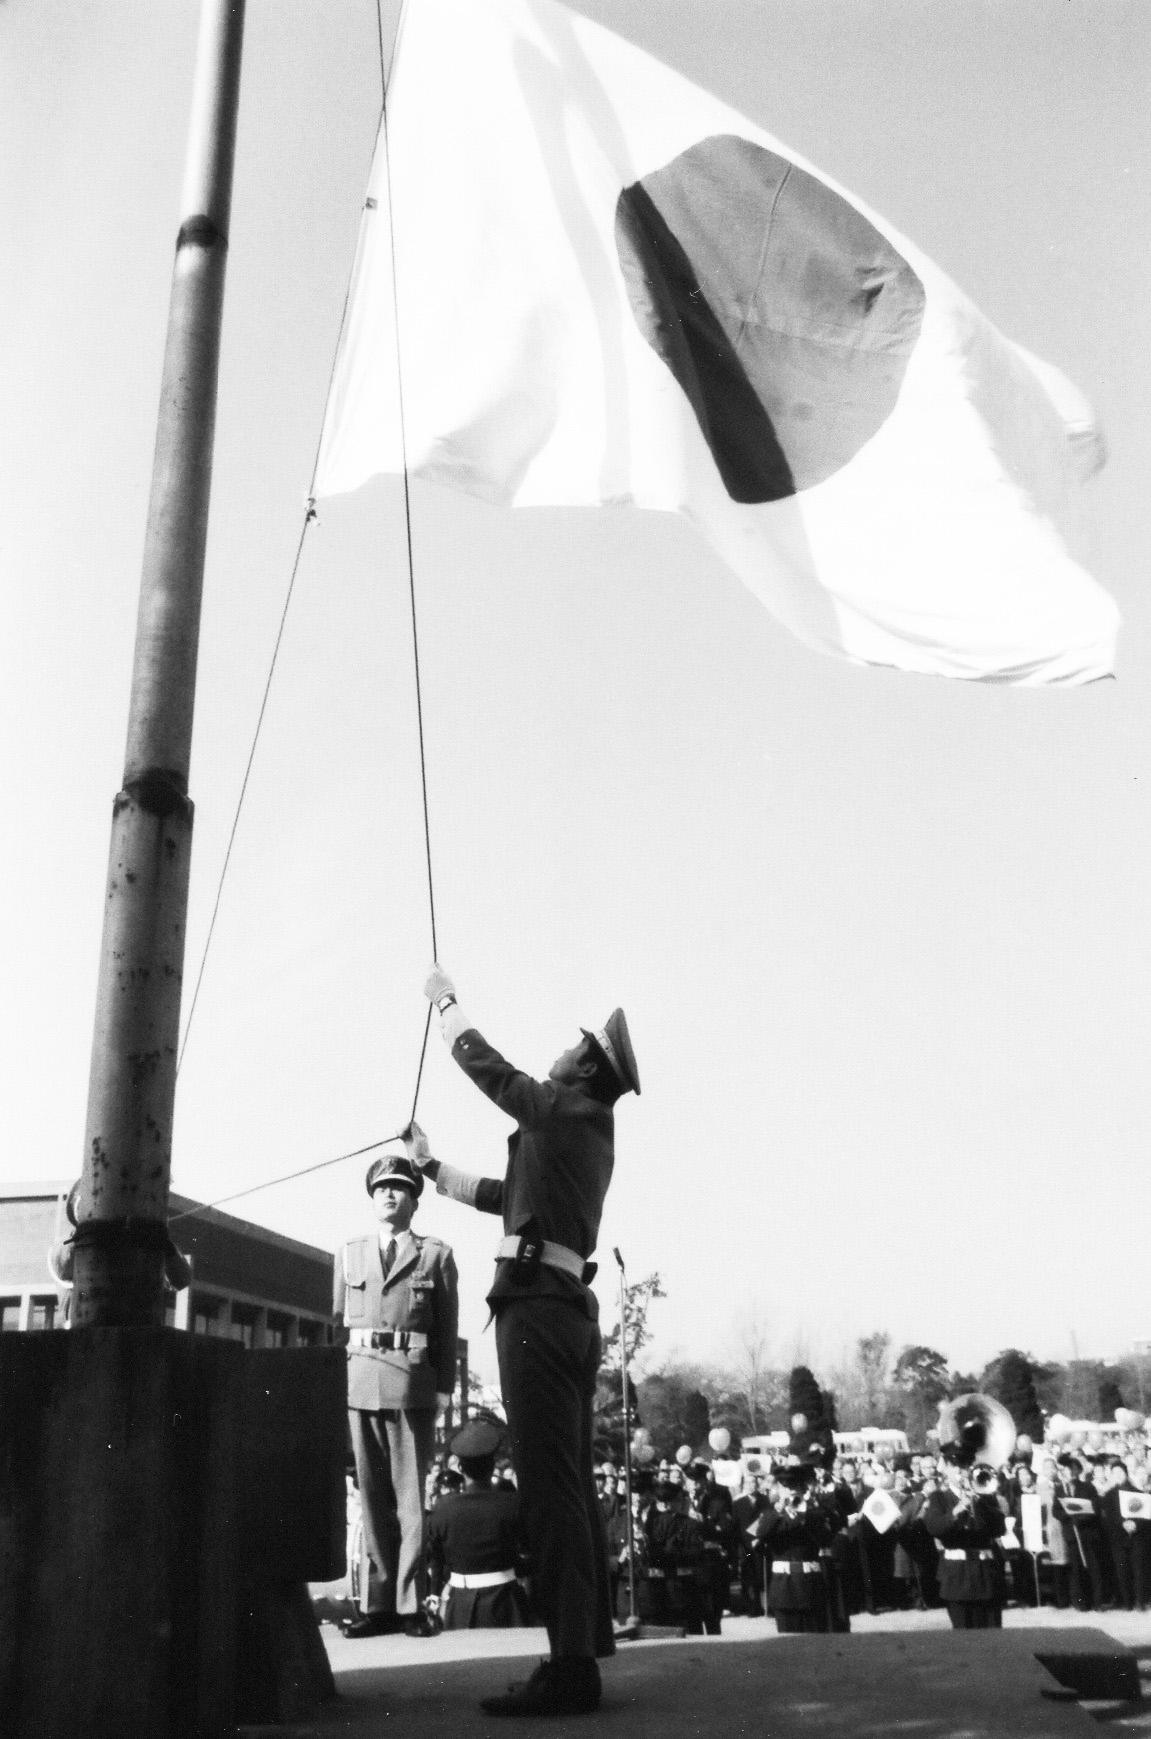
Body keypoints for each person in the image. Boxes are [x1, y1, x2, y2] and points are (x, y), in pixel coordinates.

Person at [404, 963, 639, 1717]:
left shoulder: (561, 1109)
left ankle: (569, 1666)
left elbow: (488, 1068)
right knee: (564, 1485)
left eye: (578, 1046)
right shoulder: (577, 1130)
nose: (565, 1049)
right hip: (562, 1304)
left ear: (588, 1069)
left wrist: (446, 1004)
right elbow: (508, 1199)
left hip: (536, 1308)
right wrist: (432, 1168)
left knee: (549, 1488)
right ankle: (579, 1654)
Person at [334, 1153, 458, 1638]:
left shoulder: (436, 1255)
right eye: (381, 1187)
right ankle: (378, 1605)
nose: (388, 1194)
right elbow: (336, 1320)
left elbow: (445, 1328)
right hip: (360, 1381)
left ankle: (410, 1606)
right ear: (372, 1198)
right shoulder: (349, 1252)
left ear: (414, 1200)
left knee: (409, 1501)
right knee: (371, 1499)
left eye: (399, 1187)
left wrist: (444, 1387)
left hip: (412, 1384)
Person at [426, 1419, 532, 1630]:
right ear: (492, 1466)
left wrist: (435, 1594)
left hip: (459, 1605)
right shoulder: (512, 1505)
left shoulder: (443, 1509)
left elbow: (434, 1559)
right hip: (508, 1604)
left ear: (461, 1468)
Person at [921, 1453, 1008, 1628]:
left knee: (992, 1633)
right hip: (957, 1575)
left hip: (985, 1574)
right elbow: (934, 1528)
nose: (962, 1472)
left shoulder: (986, 1497)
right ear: (947, 1471)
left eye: (966, 1467)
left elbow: (999, 1529)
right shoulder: (939, 1497)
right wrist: (957, 1510)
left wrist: (981, 1503)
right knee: (964, 1635)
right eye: (957, 1467)